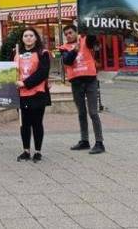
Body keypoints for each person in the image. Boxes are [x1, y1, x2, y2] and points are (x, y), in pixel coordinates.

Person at [59, 25, 104, 154]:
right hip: (76, 83)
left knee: (93, 112)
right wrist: (74, 51)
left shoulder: (85, 41)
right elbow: (67, 61)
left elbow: (92, 38)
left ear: (76, 32)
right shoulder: (64, 48)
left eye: (70, 32)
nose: (68, 35)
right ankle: (84, 140)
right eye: (66, 34)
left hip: (90, 81)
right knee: (81, 113)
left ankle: (99, 142)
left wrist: (87, 26)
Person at [14, 28, 51, 163]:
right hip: (21, 95)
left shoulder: (43, 53)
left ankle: (38, 151)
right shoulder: (17, 54)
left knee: (36, 123)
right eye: (25, 35)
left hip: (37, 93)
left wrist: (24, 83)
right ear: (22, 38)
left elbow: (42, 73)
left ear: (36, 38)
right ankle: (26, 150)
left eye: (31, 35)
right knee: (24, 124)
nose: (28, 38)